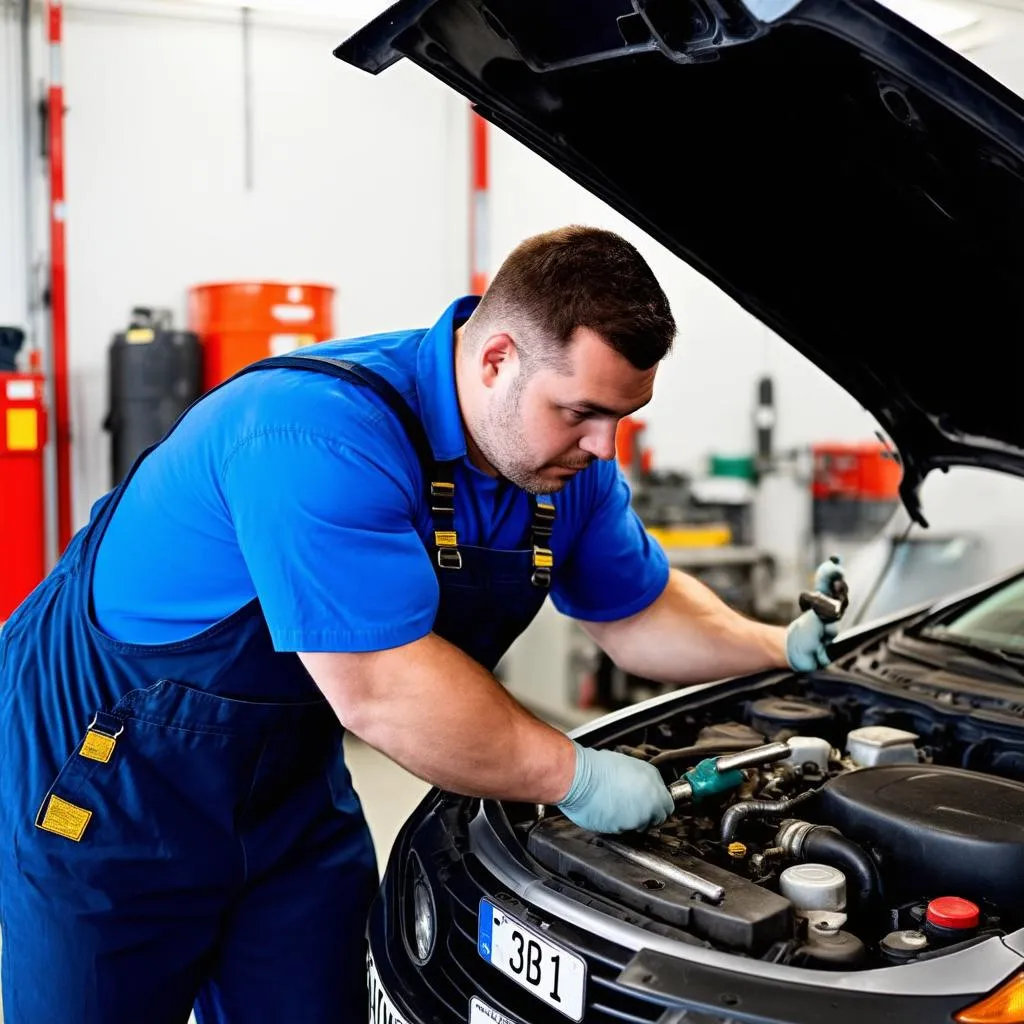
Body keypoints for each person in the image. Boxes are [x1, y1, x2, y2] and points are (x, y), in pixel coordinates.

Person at [0, 225, 844, 1023]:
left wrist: (776, 647)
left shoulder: (562, 465)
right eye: (582, 411)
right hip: (112, 781)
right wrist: (573, 774)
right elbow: (384, 693)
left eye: (620, 417)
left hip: (288, 785)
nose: (604, 446)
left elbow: (639, 610)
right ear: (497, 359)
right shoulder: (316, 435)